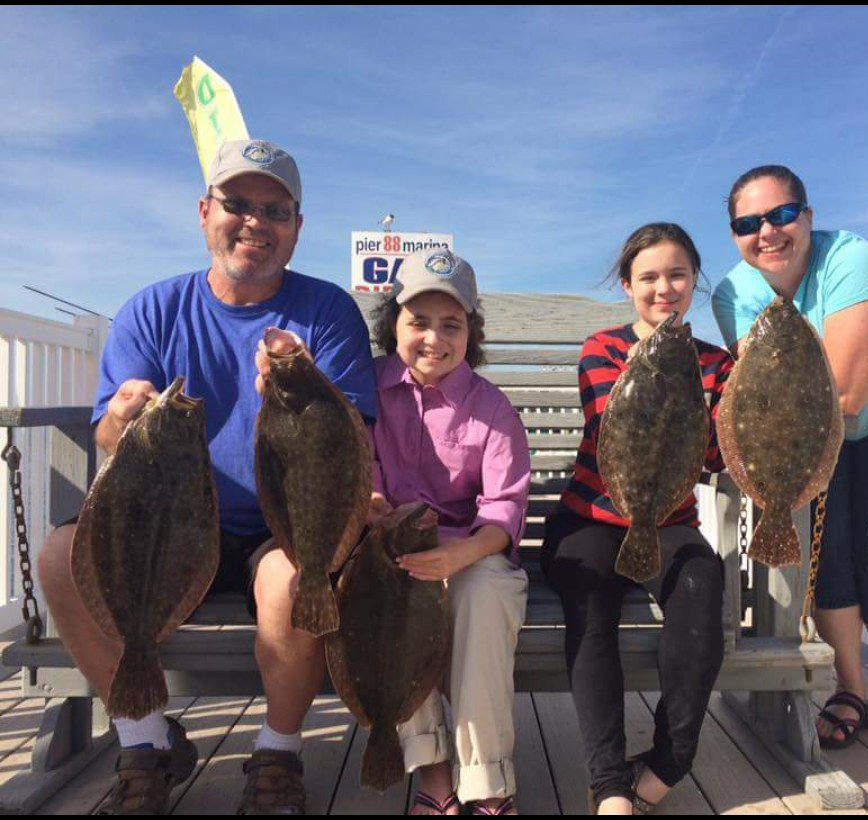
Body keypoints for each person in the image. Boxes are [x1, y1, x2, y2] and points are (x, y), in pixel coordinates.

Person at [36, 139, 378, 815]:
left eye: (275, 210)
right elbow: (108, 432)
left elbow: (352, 438)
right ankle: (146, 744)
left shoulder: (328, 313)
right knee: (57, 558)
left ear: (297, 228)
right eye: (238, 204)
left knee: (292, 579)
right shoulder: (151, 310)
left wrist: (306, 387)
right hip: (172, 529)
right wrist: (126, 415)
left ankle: (277, 756)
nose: (255, 221)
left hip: (281, 528)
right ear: (204, 212)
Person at [712, 165, 868, 749]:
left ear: (808, 217)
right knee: (831, 555)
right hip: (811, 436)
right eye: (748, 223)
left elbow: (846, 394)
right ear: (735, 235)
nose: (766, 232)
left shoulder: (852, 260)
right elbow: (764, 393)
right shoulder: (733, 292)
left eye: (781, 215)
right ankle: (850, 685)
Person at [541, 223, 731, 815]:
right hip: (590, 519)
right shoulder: (603, 349)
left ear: (693, 281)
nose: (664, 288)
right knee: (590, 608)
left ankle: (670, 762)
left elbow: (718, 460)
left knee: (701, 586)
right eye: (648, 277)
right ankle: (610, 787)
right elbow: (612, 433)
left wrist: (741, 395)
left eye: (677, 275)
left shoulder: (717, 364)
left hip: (669, 521)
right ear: (628, 286)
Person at [365, 249, 530, 816]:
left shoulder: (493, 409)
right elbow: (363, 477)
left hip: (472, 551)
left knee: (482, 597)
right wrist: (377, 508)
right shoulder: (366, 394)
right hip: (390, 549)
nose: (433, 338)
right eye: (418, 322)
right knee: (387, 594)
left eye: (451, 324)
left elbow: (503, 512)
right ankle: (433, 773)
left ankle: (487, 781)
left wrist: (460, 555)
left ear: (470, 332)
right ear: (394, 326)